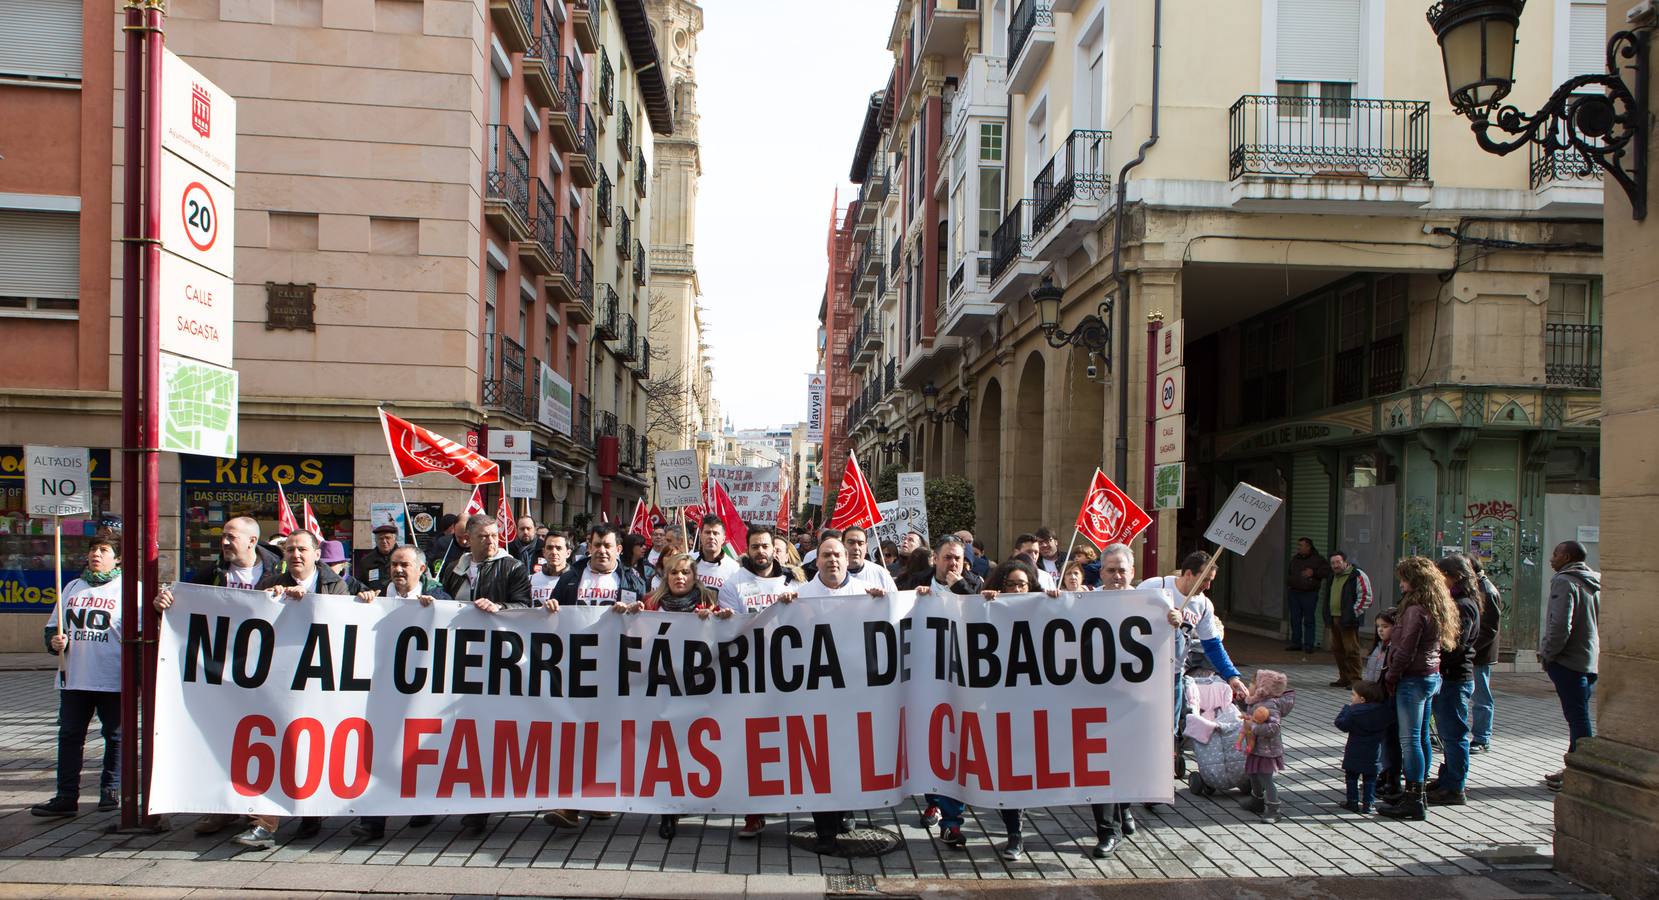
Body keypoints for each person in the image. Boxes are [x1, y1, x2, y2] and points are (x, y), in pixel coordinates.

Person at [232, 529, 347, 848]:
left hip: (317, 681)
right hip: (278, 679)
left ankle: (311, 815)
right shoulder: (270, 584)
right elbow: (249, 619)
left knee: (310, 749)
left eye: (302, 550)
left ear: (316, 554)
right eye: (291, 550)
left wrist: (307, 603)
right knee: (275, 747)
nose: (296, 555)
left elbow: (341, 623)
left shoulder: (334, 585)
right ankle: (263, 824)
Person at [612, 551, 729, 841]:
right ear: (666, 576)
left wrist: (716, 620)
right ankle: (668, 811)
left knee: (694, 747)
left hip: (697, 687)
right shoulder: (651, 602)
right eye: (674, 573)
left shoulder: (709, 601)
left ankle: (692, 800)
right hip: (661, 687)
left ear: (694, 577)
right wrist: (630, 617)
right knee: (667, 748)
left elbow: (726, 634)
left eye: (686, 573)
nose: (680, 578)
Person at [786, 537, 885, 854]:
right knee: (821, 760)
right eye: (826, 555)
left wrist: (885, 604)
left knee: (850, 757)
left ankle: (845, 811)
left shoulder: (866, 594)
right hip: (815, 696)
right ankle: (825, 828)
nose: (832, 560)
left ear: (847, 559)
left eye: (837, 554)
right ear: (817, 562)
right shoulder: (799, 596)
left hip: (855, 695)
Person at [350, 545, 447, 840]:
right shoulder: (375, 597)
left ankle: (422, 805)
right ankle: (372, 821)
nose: (398, 570)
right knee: (379, 751)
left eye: (405, 565)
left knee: (419, 752)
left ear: (421, 569)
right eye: (394, 565)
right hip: (380, 691)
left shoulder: (440, 599)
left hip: (422, 693)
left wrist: (438, 611)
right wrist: (362, 603)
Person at [31, 530, 124, 819]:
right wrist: (54, 642)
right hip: (74, 677)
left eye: (104, 550)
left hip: (111, 677)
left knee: (115, 736)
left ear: (117, 558)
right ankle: (66, 795)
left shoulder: (129, 589)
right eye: (94, 549)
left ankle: (110, 790)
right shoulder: (72, 586)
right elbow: (52, 628)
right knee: (70, 735)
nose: (96, 555)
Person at [1377, 556, 1458, 821]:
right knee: (1420, 737)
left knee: (1410, 740)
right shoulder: (1434, 605)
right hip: (1429, 676)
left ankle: (1413, 798)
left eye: (1403, 579)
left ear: (1414, 580)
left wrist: (1392, 675)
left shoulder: (1414, 610)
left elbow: (1406, 649)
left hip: (1412, 678)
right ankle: (1418, 793)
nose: (1400, 584)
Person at [1540, 540, 1600, 791]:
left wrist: (1548, 654)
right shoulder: (1594, 580)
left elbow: (1559, 625)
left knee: (1577, 718)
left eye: (1555, 554)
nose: (1551, 559)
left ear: (1566, 556)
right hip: (1589, 658)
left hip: (1569, 660)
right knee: (1579, 715)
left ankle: (1580, 772)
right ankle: (1573, 767)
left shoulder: (1564, 581)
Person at [1427, 554, 1483, 807]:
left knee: (1454, 733)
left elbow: (1457, 646)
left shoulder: (1464, 605)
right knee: (1448, 732)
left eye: (1443, 577)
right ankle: (1448, 777)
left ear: (1455, 577)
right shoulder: (1457, 601)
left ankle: (1454, 786)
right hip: (1449, 676)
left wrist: (1437, 659)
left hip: (1455, 677)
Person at [1239, 669, 1295, 824]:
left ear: (1262, 689)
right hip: (1256, 748)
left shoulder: (1270, 705)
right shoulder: (1257, 701)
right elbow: (1250, 712)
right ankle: (1256, 800)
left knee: (1266, 778)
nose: (1248, 688)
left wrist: (1254, 728)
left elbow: (1274, 728)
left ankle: (1274, 809)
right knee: (1253, 774)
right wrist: (1241, 701)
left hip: (1267, 750)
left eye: (1251, 685)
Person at [1335, 680, 1393, 814]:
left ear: (1362, 699)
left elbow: (1341, 724)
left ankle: (1352, 802)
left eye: (1353, 695)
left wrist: (1345, 709)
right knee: (1370, 779)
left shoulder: (1353, 712)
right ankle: (1368, 804)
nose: (1351, 698)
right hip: (1374, 752)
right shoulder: (1383, 712)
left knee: (1351, 777)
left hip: (1354, 751)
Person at [716, 523, 801, 615]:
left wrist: (794, 605)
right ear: (747, 550)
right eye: (755, 547)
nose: (760, 551)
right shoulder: (731, 586)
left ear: (773, 550)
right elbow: (733, 626)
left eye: (765, 546)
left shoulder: (795, 583)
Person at [1321, 550, 1374, 688]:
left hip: (1348, 619)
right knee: (1338, 649)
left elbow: (1366, 597)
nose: (1335, 565)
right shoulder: (1332, 577)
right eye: (1333, 563)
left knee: (1351, 649)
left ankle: (1356, 679)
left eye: (1338, 562)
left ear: (1345, 562)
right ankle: (1344, 678)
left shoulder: (1357, 575)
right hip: (1334, 618)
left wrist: (1352, 613)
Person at [1468, 558, 1503, 754]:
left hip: (1479, 654)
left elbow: (1489, 629)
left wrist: (1470, 649)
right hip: (1472, 652)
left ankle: (1482, 738)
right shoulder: (1475, 588)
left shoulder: (1487, 591)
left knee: (1481, 696)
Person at [196, 515, 283, 589]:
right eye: (223, 536)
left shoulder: (279, 573)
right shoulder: (212, 574)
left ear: (251, 541)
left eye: (231, 537)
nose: (224, 542)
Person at [1285, 537, 1329, 653]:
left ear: (1308, 547)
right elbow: (1290, 572)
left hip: (1309, 594)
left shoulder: (1318, 559)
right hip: (1294, 593)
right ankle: (1296, 643)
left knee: (1309, 620)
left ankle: (1309, 644)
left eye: (1301, 545)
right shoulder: (1295, 559)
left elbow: (1327, 572)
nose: (1298, 548)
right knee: (1295, 619)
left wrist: (1314, 573)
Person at [841, 526, 898, 594]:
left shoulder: (881, 574)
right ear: (842, 545)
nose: (856, 547)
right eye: (851, 542)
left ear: (866, 547)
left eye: (860, 543)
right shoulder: (829, 574)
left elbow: (895, 602)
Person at [692, 515, 740, 591]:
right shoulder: (689, 561)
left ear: (723, 539)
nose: (711, 537)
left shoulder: (734, 569)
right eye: (707, 532)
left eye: (715, 533)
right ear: (700, 535)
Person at [529, 531, 573, 608]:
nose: (554, 552)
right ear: (544, 552)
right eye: (549, 548)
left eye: (559, 548)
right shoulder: (530, 580)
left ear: (568, 553)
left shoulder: (577, 580)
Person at [355, 523, 400, 593]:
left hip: (400, 599)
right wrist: (366, 592)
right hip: (375, 600)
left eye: (388, 538)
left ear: (394, 539)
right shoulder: (367, 560)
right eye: (380, 538)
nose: (384, 541)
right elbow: (360, 583)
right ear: (375, 541)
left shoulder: (403, 557)